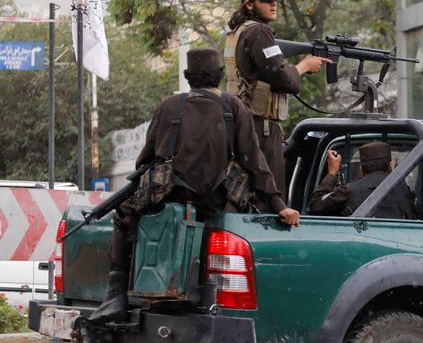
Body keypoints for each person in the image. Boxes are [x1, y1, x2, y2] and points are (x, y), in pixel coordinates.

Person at [88, 48, 301, 325]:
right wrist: (279, 206)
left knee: (124, 215)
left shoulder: (169, 106)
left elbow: (145, 161)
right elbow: (255, 163)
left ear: (189, 78)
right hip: (215, 201)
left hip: (169, 197)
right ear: (219, 77)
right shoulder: (234, 107)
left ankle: (116, 296)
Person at [223, 0, 330, 198]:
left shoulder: (239, 31)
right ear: (249, 4)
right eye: (267, 0)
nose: (274, 4)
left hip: (244, 123)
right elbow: (284, 80)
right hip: (260, 127)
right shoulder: (259, 32)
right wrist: (304, 66)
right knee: (270, 197)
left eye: (275, 0)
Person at [307, 141, 416, 219]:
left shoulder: (347, 190)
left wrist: (332, 173)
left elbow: (315, 206)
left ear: (361, 170)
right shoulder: (404, 190)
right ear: (390, 166)